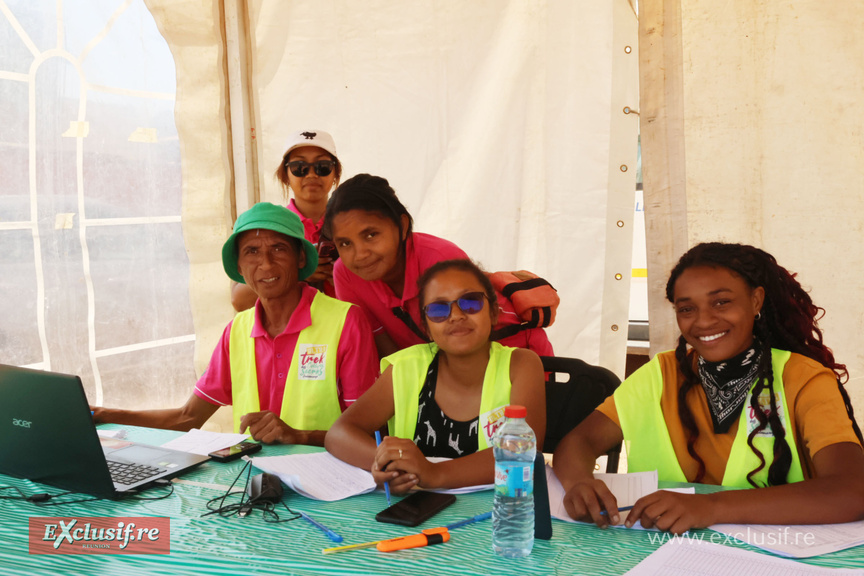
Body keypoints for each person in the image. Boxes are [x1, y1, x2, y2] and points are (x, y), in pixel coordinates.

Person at [553, 242, 864, 533]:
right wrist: (579, 482)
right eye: (686, 309)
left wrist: (710, 507)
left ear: (756, 300)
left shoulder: (805, 379)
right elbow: (578, 442)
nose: (703, 321)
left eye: (721, 302)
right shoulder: (661, 374)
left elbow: (852, 489)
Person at [93, 203, 379, 446]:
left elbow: (368, 430)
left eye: (279, 249)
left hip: (331, 486)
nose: (266, 264)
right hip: (253, 485)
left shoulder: (346, 321)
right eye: (251, 252)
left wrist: (299, 436)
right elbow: (187, 418)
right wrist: (104, 415)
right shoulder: (238, 331)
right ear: (239, 268)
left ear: (300, 257)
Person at [325, 258, 546, 493]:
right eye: (439, 309)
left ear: (493, 313)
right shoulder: (406, 368)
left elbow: (523, 452)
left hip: (497, 515)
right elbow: (339, 433)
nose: (456, 315)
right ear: (426, 327)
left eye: (470, 302)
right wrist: (389, 465)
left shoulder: (520, 365)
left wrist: (434, 474)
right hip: (417, 513)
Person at [325, 173, 554, 359]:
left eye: (371, 235)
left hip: (512, 361)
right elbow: (378, 341)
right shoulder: (345, 274)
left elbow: (469, 345)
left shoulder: (441, 260)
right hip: (441, 374)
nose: (360, 254)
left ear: (402, 226)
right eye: (345, 243)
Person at [232, 129, 342, 311]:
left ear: (335, 173)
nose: (311, 174)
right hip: (292, 334)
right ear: (285, 175)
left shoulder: (351, 222)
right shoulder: (267, 225)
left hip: (349, 326)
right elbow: (239, 300)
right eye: (299, 167)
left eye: (323, 166)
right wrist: (299, 272)